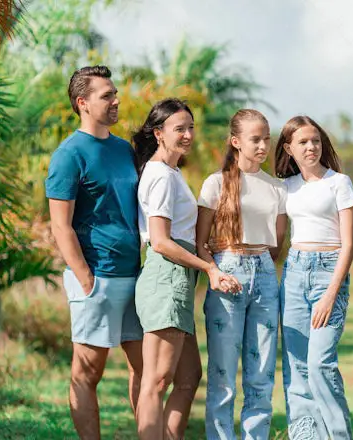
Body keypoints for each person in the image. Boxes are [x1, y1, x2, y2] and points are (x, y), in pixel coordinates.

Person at [132, 98, 240, 439]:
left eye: (191, 127)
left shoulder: (171, 172)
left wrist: (210, 266)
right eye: (180, 128)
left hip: (179, 279)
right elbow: (161, 241)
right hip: (166, 277)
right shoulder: (162, 176)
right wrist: (208, 270)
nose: (189, 135)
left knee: (189, 376)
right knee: (157, 381)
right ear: (158, 133)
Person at [45, 65, 144, 439]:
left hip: (134, 277)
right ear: (83, 103)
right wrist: (86, 280)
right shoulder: (69, 155)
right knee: (87, 374)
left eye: (115, 93)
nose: (116, 100)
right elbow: (60, 224)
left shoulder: (123, 149)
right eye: (107, 95)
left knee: (147, 370)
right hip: (97, 280)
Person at [196, 109, 286, 440]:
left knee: (261, 372)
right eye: (256, 139)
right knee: (222, 373)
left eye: (267, 138)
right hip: (226, 274)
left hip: (263, 273)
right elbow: (200, 243)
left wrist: (257, 262)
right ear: (236, 142)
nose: (263, 145)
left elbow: (277, 243)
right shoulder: (215, 183)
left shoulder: (276, 187)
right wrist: (216, 271)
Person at [274, 115, 353, 440]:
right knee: (297, 368)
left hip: (329, 273)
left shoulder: (340, 183)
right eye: (303, 142)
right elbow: (277, 240)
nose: (311, 147)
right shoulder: (286, 188)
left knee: (320, 365)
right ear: (288, 148)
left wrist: (330, 294)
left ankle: (339, 436)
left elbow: (349, 245)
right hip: (294, 274)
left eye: (315, 140)